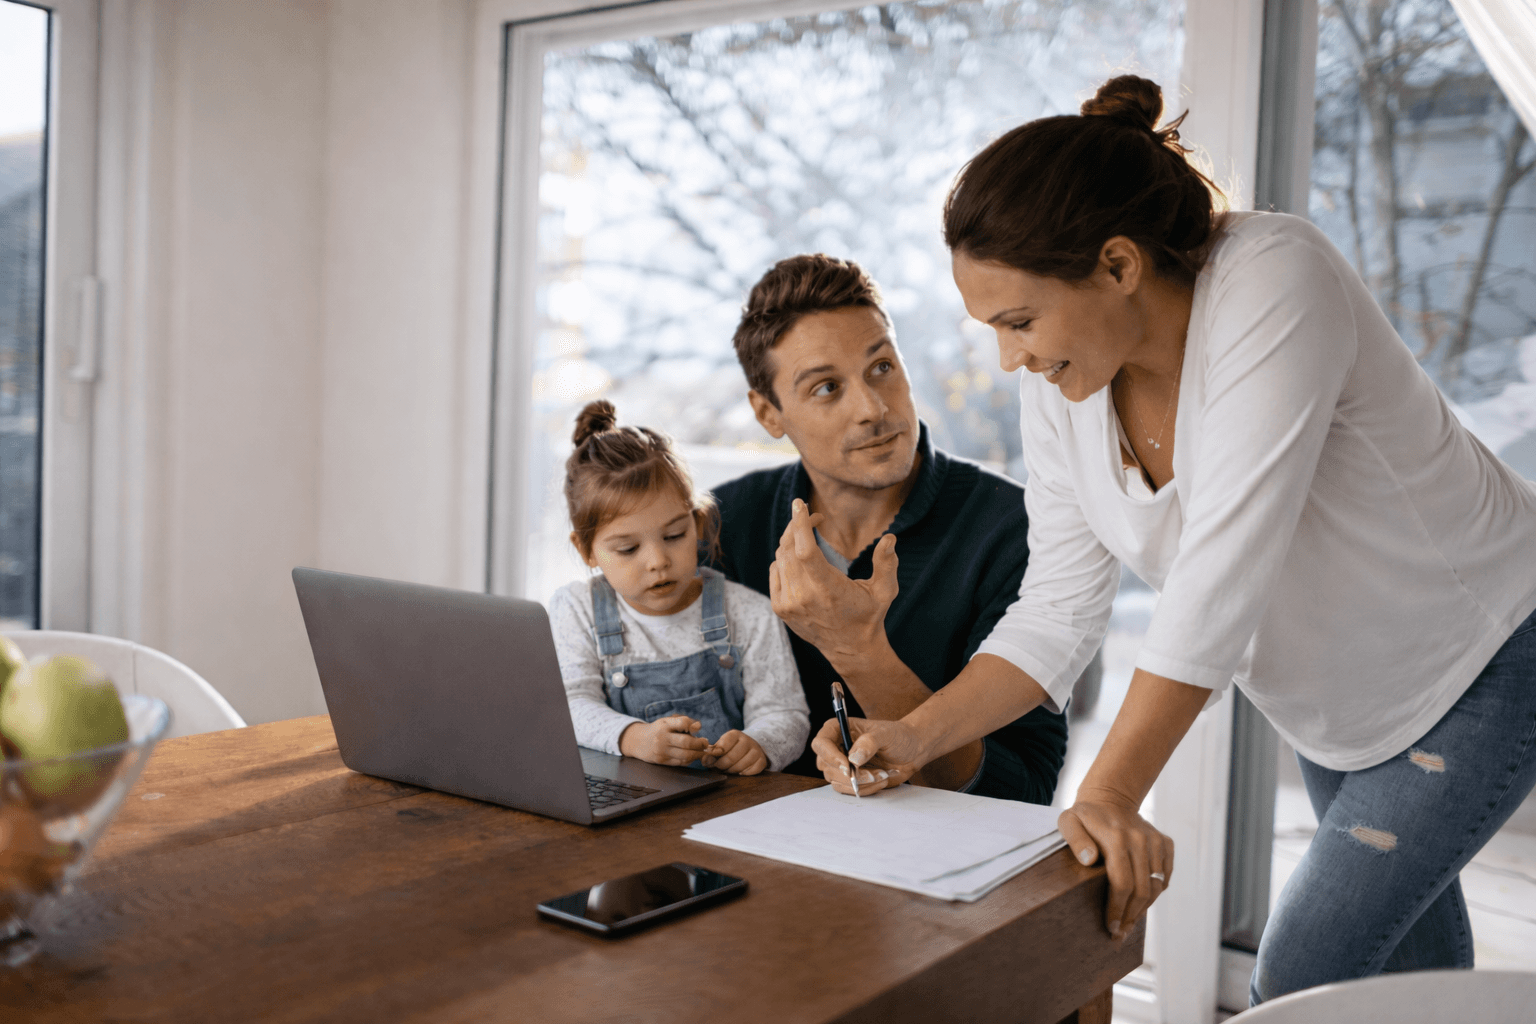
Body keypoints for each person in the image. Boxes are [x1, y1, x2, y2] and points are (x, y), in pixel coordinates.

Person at [809, 75, 1536, 1005]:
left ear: (1117, 266)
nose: (1009, 357)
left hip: (1485, 657)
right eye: (993, 328)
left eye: (1020, 321)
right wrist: (911, 736)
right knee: (1406, 981)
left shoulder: (1276, 280)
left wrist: (1110, 793)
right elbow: (1060, 610)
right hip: (1341, 702)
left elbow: (1218, 579)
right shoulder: (1063, 381)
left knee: (1309, 973)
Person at [708, 254, 1068, 801]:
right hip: (748, 858)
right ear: (768, 414)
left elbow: (1023, 792)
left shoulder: (1015, 529)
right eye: (827, 388)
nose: (873, 408)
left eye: (882, 367)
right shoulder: (720, 527)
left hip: (937, 871)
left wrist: (858, 650)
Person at [548, 400, 809, 775]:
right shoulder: (576, 608)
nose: (657, 560)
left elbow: (786, 713)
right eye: (628, 548)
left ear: (698, 523)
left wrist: (762, 745)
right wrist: (634, 738)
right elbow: (570, 704)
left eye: (674, 535)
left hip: (729, 803)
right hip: (627, 803)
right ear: (586, 550)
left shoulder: (749, 613)